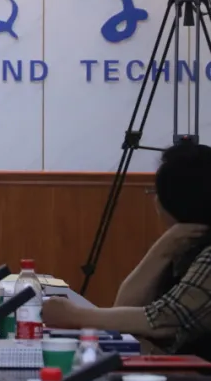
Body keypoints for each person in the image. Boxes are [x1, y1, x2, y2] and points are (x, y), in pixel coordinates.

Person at [43, 141, 211, 360]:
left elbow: (165, 321)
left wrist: (74, 315)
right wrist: (162, 251)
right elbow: (125, 307)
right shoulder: (183, 242)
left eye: (155, 192)